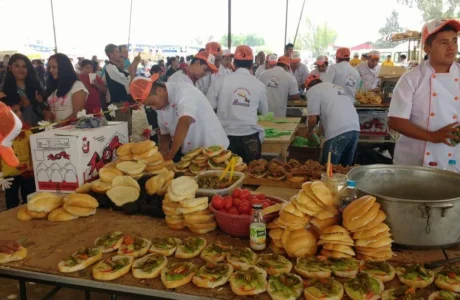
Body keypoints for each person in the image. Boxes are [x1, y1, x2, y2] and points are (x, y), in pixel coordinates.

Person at [388, 19, 460, 169]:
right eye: (443, 43)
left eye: (454, 41)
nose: (451, 47)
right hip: (413, 163)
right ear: (427, 49)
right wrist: (432, 136)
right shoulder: (411, 79)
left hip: (453, 161)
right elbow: (395, 121)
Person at [129, 73, 229, 162]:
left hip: (213, 147)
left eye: (152, 103)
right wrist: (163, 151)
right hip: (191, 154)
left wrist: (172, 153)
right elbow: (165, 133)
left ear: (159, 91)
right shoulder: (161, 105)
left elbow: (185, 120)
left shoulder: (184, 91)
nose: (153, 108)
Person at [206, 45, 269, 163]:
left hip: (225, 137)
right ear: (251, 65)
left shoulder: (220, 81)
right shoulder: (258, 85)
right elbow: (265, 111)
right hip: (250, 137)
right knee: (252, 174)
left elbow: (208, 107)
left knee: (226, 176)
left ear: (234, 63)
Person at [305, 74, 360, 166]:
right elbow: (325, 120)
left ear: (308, 87)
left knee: (327, 170)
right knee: (344, 170)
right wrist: (318, 135)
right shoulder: (335, 87)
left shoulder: (312, 90)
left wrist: (309, 131)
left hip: (338, 133)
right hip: (355, 129)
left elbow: (313, 119)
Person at [0, 103, 35, 209]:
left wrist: (33, 166)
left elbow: (32, 150)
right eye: (15, 111)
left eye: (19, 110)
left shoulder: (27, 131)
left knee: (30, 197)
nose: (19, 113)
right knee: (11, 200)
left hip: (27, 170)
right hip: (9, 172)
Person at [0, 54, 50, 126]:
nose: (21, 70)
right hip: (20, 133)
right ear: (10, 68)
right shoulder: (3, 90)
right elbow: (3, 116)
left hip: (41, 130)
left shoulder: (37, 85)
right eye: (17, 66)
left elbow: (47, 107)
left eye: (24, 67)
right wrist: (19, 106)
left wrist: (42, 102)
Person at [103, 44, 140, 132]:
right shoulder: (110, 67)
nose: (120, 54)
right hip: (118, 103)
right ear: (110, 55)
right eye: (117, 52)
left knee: (128, 128)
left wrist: (135, 63)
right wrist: (132, 70)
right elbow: (126, 80)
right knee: (121, 130)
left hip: (124, 102)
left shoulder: (115, 67)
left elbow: (128, 74)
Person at [46, 53, 88, 121]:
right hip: (53, 129)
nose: (50, 70)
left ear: (63, 68)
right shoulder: (53, 86)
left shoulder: (77, 86)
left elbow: (77, 115)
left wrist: (58, 125)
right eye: (49, 67)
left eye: (54, 67)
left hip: (70, 129)